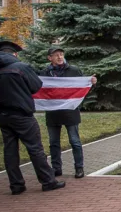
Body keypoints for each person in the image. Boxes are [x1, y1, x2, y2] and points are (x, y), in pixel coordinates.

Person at [0, 41, 65, 195]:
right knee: (35, 148)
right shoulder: (20, 67)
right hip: (22, 114)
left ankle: (16, 185)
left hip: (2, 114)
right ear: (14, 54)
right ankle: (48, 181)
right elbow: (36, 86)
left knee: (10, 150)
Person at [39, 47, 97, 179]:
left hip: (70, 111)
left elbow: (83, 87)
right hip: (52, 112)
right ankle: (56, 169)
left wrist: (91, 83)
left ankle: (79, 168)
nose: (60, 57)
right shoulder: (45, 73)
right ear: (50, 58)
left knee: (75, 141)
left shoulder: (73, 70)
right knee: (54, 143)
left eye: (61, 54)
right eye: (56, 55)